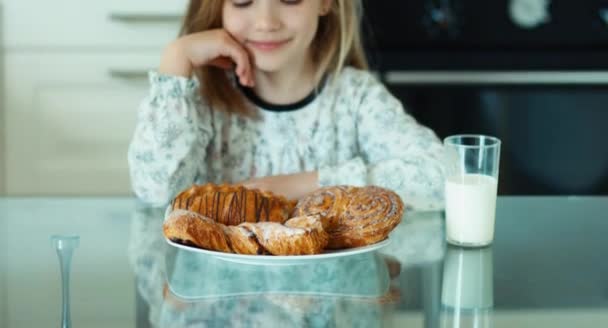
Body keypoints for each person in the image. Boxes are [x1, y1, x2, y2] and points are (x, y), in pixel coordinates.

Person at [128, 0, 445, 210]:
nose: (266, 22)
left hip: (335, 301)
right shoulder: (198, 100)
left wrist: (302, 185)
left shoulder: (356, 97)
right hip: (220, 303)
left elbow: (442, 176)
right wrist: (176, 58)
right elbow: (155, 193)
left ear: (325, 3)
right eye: (243, 0)